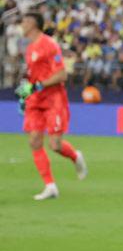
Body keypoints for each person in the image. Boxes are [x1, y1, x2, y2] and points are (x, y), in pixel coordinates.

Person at [16, 11, 87, 200]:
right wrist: (25, 94)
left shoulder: (50, 44)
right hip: (35, 100)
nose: (21, 25)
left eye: (24, 22)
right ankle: (50, 186)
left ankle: (75, 156)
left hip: (53, 98)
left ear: (33, 23)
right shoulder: (30, 48)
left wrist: (38, 85)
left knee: (55, 144)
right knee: (34, 141)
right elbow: (31, 77)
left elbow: (62, 75)